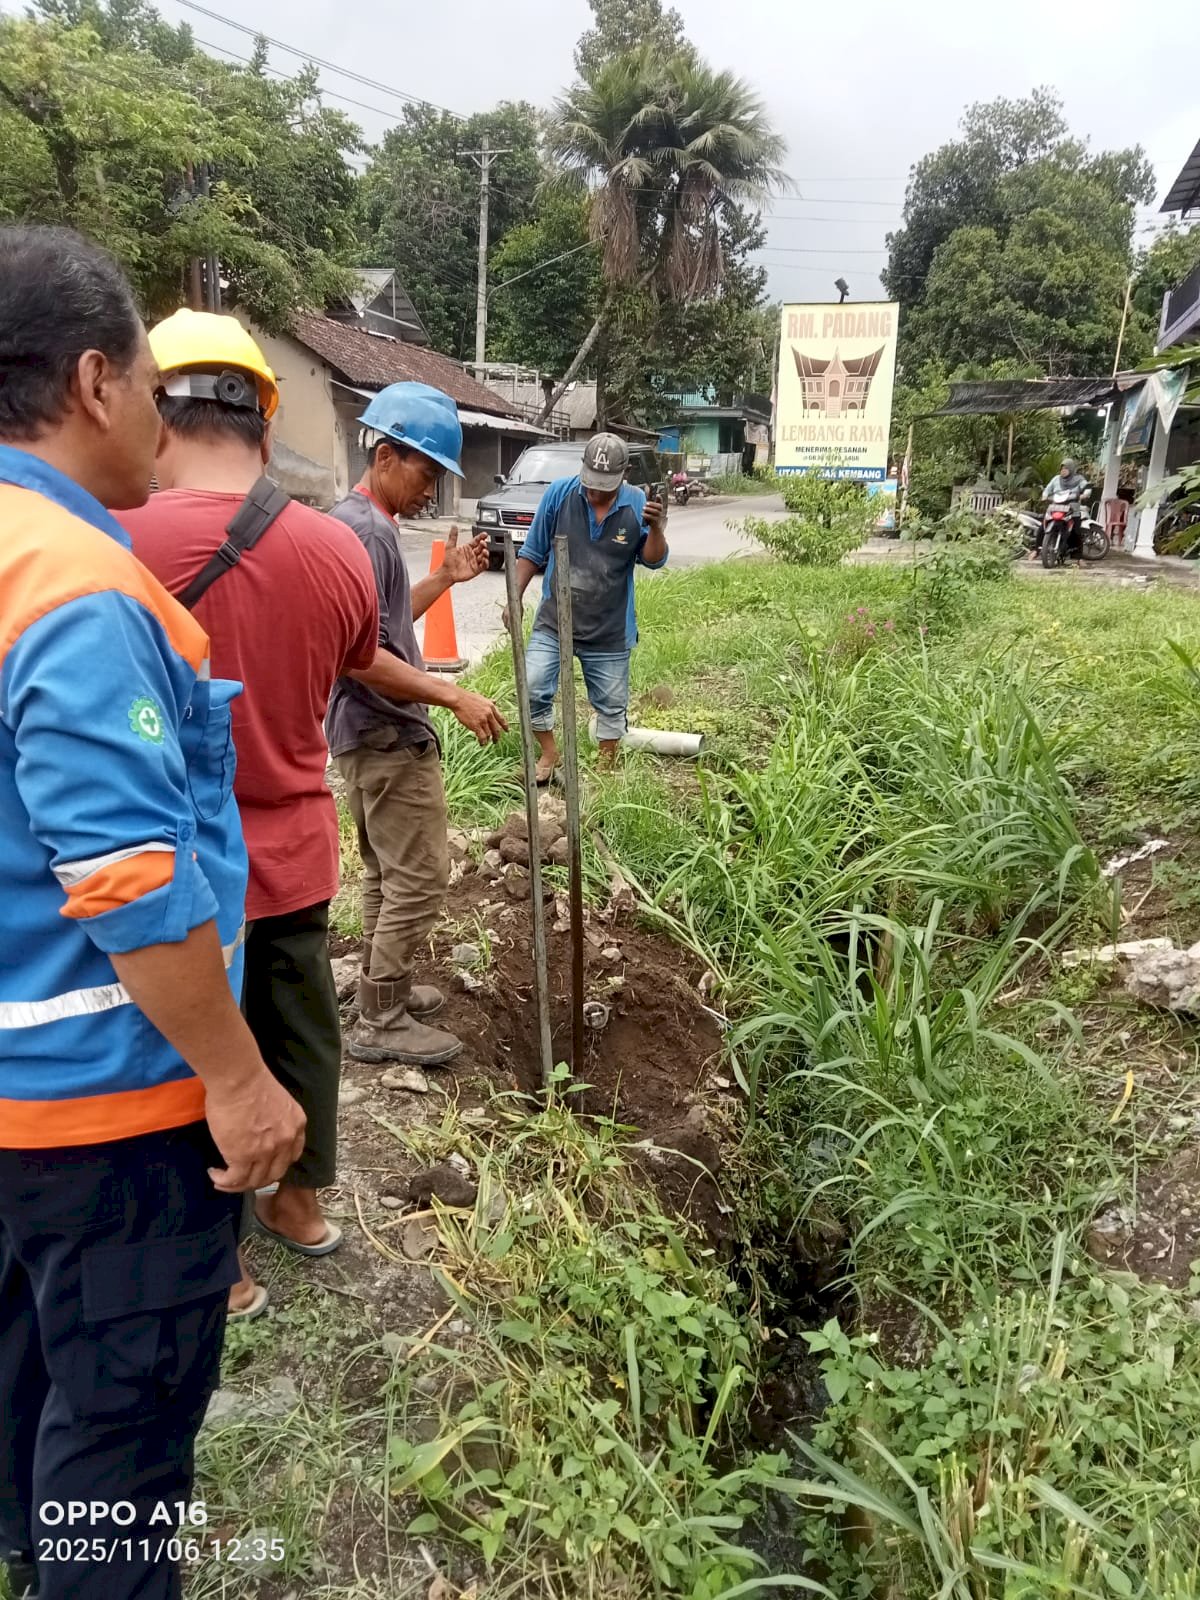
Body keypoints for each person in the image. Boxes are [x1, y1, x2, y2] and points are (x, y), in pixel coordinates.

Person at [0, 227, 304, 1600]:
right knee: (120, 1441)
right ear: (92, 382)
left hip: (18, 1094)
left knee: (33, 1386)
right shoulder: (72, 584)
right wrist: (238, 1085)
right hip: (109, 1103)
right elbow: (125, 874)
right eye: (139, 374)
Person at [121, 311, 486, 1315]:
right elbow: (355, 662)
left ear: (154, 406)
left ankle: (222, 1263)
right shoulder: (328, 552)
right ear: (264, 416)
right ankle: (302, 1205)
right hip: (289, 845)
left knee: (195, 1054)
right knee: (301, 1029)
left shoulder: (107, 543)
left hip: (164, 867)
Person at [326, 383, 507, 1069]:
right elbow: (362, 654)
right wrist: (450, 697)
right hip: (385, 729)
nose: (431, 491)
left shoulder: (358, 523)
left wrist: (448, 580)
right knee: (424, 875)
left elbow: (381, 623)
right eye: (427, 473)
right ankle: (381, 1019)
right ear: (388, 454)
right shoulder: (368, 532)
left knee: (382, 871)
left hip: (358, 733)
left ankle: (383, 988)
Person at [506, 432, 668, 781]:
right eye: (591, 483)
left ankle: (605, 768)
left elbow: (653, 560)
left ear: (623, 475)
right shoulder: (559, 495)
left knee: (611, 705)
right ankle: (549, 754)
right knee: (532, 685)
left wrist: (656, 529)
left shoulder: (638, 503)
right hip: (554, 621)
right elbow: (532, 553)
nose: (594, 491)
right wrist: (514, 598)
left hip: (609, 629)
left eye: (604, 486)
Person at [1033, 456, 1089, 560]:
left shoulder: (1079, 479)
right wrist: (1045, 495)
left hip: (1072, 510)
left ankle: (1078, 559)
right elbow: (1047, 489)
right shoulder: (1056, 479)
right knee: (1042, 527)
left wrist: (1084, 495)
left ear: (1071, 469)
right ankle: (1036, 550)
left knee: (1076, 532)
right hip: (1056, 507)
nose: (1063, 471)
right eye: (1062, 468)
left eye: (1066, 469)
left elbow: (1087, 488)